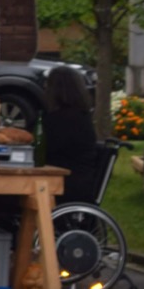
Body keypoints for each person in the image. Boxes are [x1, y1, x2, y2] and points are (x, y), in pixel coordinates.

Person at [40, 65, 105, 202]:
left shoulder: (60, 119)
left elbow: (45, 149)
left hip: (67, 182)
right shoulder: (80, 116)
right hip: (79, 179)